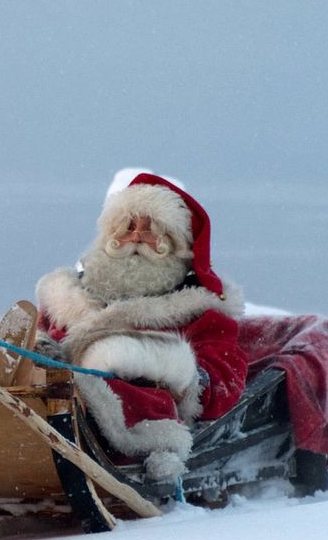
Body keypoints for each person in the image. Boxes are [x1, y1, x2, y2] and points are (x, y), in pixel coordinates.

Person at [33, 171, 248, 480]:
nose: (135, 238)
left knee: (124, 385)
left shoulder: (196, 310)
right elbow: (43, 333)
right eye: (128, 226)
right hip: (52, 392)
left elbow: (224, 373)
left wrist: (182, 376)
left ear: (174, 245)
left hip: (129, 413)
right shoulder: (65, 298)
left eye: (150, 230)